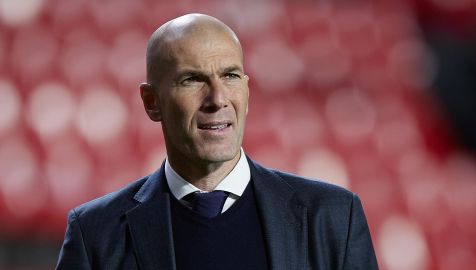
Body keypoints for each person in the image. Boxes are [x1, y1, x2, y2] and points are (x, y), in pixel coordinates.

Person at [56, 13, 378, 270]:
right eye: (192, 79)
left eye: (230, 76)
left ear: (247, 92)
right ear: (152, 102)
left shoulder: (335, 218)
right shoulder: (94, 235)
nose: (217, 98)